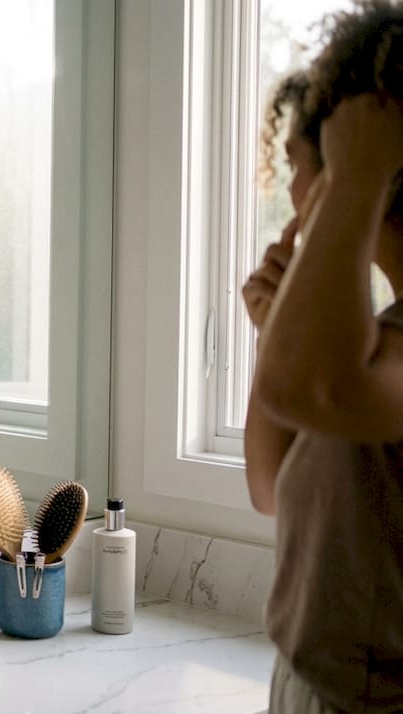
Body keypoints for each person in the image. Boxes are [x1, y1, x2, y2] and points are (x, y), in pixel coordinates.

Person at [243, 2, 403, 711]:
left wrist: (356, 179)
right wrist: (277, 331)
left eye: (304, 167)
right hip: (313, 687)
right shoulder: (370, 349)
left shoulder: (354, 369)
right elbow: (270, 487)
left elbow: (315, 390)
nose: (295, 195)